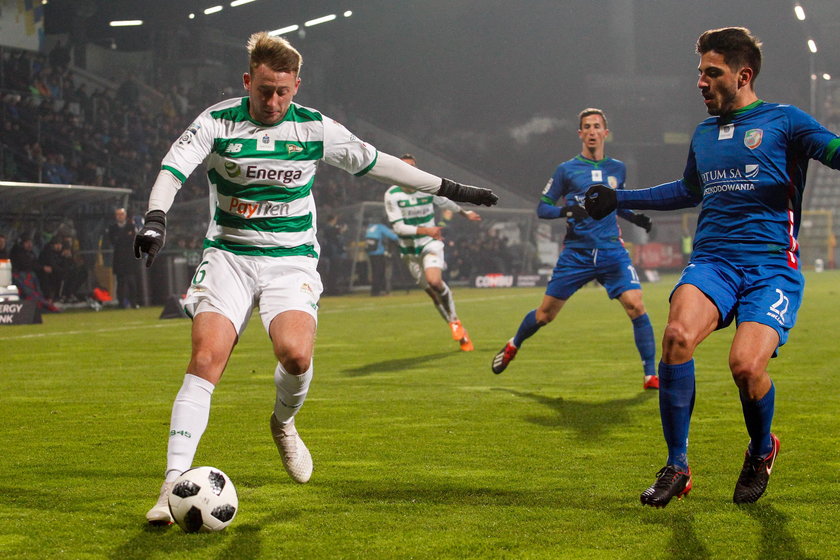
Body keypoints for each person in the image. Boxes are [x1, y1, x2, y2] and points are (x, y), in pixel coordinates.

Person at [134, 31, 498, 525]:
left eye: (284, 91)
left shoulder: (314, 128)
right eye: (264, 89)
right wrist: (156, 217)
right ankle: (171, 483)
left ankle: (283, 425)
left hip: (291, 260)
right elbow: (174, 168)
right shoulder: (217, 121)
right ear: (248, 81)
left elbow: (379, 163)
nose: (273, 100)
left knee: (297, 356)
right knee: (205, 358)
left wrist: (453, 189)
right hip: (229, 256)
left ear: (297, 86)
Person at [584, 27, 840, 507]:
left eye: (712, 72)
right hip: (713, 263)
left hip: (769, 269)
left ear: (742, 75)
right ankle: (677, 466)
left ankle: (762, 449)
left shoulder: (786, 121)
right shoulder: (704, 134)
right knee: (677, 336)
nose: (700, 81)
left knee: (745, 367)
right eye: (699, 72)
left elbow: (835, 151)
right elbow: (687, 190)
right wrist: (619, 198)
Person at [491, 108, 657, 390]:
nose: (592, 131)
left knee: (636, 305)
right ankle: (513, 344)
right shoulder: (566, 170)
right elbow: (543, 208)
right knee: (545, 315)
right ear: (580, 134)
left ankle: (650, 375)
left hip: (610, 251)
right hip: (577, 254)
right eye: (586, 127)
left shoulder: (617, 168)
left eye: (597, 126)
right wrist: (568, 211)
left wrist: (635, 217)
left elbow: (618, 203)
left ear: (606, 133)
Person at [384, 154, 482, 351]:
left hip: (430, 243)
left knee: (435, 281)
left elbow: (447, 203)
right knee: (433, 294)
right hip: (409, 251)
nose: (408, 171)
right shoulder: (392, 195)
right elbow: (399, 228)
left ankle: (455, 322)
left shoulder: (426, 188)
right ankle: (458, 328)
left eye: (412, 167)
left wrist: (465, 213)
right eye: (404, 167)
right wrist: (426, 229)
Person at [107, 208, 140, 308]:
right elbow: (113, 241)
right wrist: (125, 238)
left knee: (131, 282)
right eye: (118, 215)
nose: (120, 216)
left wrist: (123, 239)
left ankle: (133, 303)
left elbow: (133, 239)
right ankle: (121, 303)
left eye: (121, 214)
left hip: (130, 259)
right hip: (119, 260)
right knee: (120, 282)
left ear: (125, 215)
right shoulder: (113, 228)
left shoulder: (131, 226)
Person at [364, 218, 399, 296]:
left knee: (374, 272)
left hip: (370, 253)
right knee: (379, 272)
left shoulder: (370, 227)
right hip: (378, 252)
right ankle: (377, 291)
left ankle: (375, 290)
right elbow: (393, 236)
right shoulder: (380, 227)